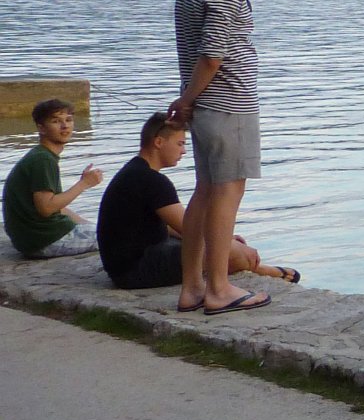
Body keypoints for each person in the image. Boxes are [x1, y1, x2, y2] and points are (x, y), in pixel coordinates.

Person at [168, 0, 270, 315]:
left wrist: (188, 98)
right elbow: (212, 54)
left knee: (205, 192)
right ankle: (219, 289)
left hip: (206, 107)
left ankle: (192, 287)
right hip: (228, 103)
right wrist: (187, 100)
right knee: (228, 191)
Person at [97, 112, 299, 290]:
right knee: (234, 253)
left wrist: (224, 238)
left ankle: (249, 262)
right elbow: (191, 228)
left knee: (220, 243)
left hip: (123, 266)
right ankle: (265, 270)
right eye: (180, 143)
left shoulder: (133, 171)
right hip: (137, 270)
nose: (184, 151)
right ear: (158, 142)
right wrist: (227, 244)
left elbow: (171, 227)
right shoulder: (152, 180)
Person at [3, 97, 101, 258]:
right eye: (56, 121)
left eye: (68, 120)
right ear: (41, 128)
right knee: (121, 237)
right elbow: (46, 208)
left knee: (105, 230)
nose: (65, 126)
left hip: (35, 238)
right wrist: (84, 184)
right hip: (46, 240)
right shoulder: (43, 160)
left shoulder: (41, 155)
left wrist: (90, 226)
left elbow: (57, 207)